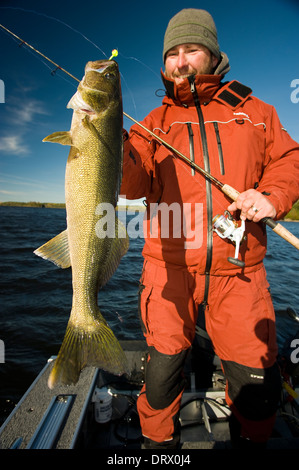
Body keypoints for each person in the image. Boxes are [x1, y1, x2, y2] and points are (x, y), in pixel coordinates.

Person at [120, 8, 299, 448]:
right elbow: (131, 182)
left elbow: (290, 160)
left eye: (191, 50)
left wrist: (271, 196)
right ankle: (157, 449)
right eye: (173, 53)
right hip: (167, 273)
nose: (181, 61)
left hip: (239, 274)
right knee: (160, 376)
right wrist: (110, 141)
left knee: (257, 385)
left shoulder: (257, 112)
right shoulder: (151, 125)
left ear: (213, 54)